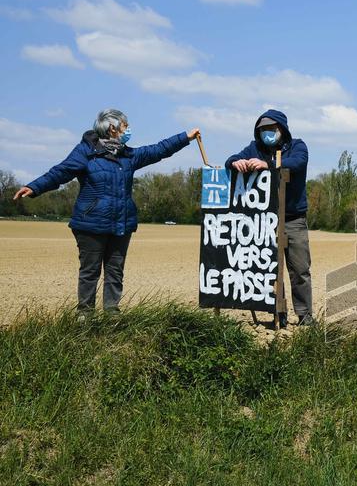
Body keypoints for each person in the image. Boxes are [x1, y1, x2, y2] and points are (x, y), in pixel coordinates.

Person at [13, 109, 199, 317]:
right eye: (125, 126)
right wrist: (35, 187)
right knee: (90, 272)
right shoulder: (86, 152)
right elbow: (61, 172)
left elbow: (158, 150)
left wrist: (185, 137)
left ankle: (112, 316)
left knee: (115, 272)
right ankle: (85, 316)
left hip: (121, 224)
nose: (128, 130)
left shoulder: (128, 155)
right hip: (91, 224)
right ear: (112, 128)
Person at [226, 110, 313, 326]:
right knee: (271, 269)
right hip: (266, 220)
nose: (267, 133)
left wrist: (270, 165)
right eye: (263, 129)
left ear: (282, 129)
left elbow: (297, 163)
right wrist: (236, 163)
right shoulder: (254, 148)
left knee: (300, 269)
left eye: (271, 129)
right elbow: (231, 159)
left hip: (293, 219)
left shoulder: (298, 146)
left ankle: (305, 316)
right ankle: (278, 313)